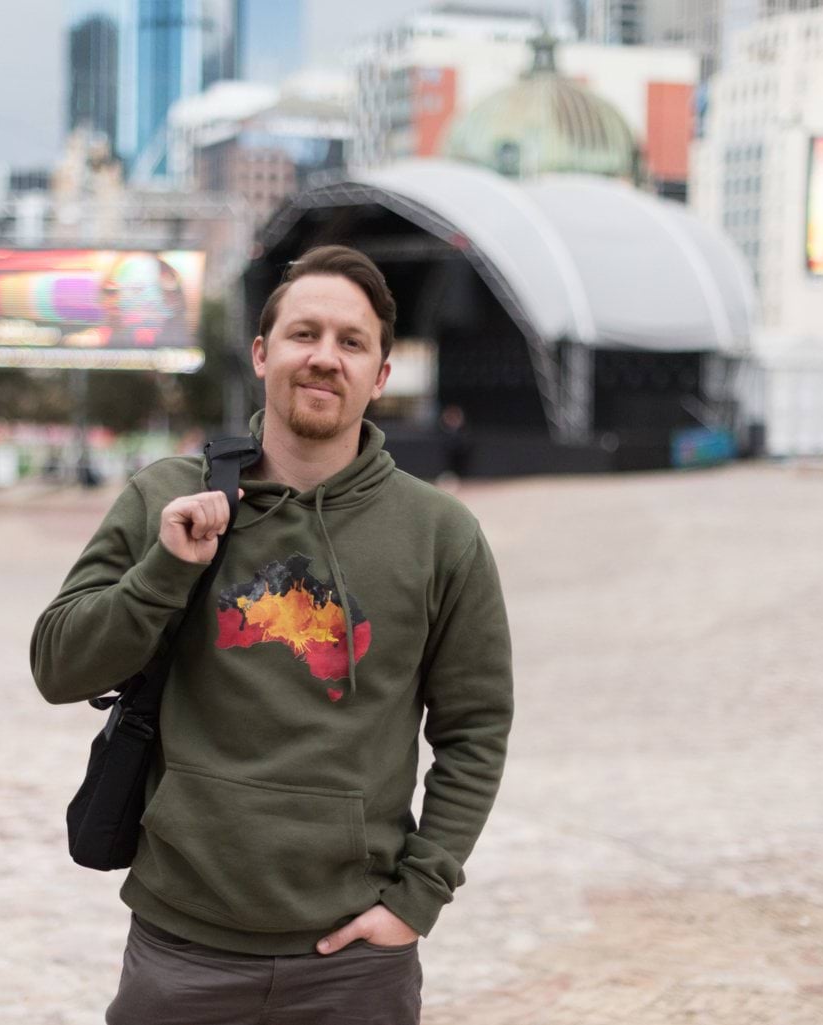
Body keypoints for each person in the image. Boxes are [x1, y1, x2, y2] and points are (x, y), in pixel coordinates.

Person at [30, 245, 514, 1025]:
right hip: (181, 948)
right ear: (262, 353)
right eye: (304, 334)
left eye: (352, 342)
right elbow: (57, 664)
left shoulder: (440, 534)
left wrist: (415, 901)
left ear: (380, 374)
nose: (325, 357)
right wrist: (164, 569)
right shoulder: (167, 495)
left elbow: (476, 728)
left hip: (354, 966)